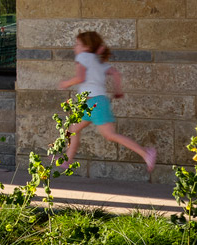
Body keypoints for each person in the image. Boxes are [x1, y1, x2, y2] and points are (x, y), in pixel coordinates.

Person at [59, 31, 157, 172]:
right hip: (92, 103)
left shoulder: (83, 57)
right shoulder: (97, 61)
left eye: (77, 44)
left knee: (110, 135)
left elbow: (80, 78)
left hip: (95, 103)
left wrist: (66, 83)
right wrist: (118, 90)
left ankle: (145, 152)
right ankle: (67, 160)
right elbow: (115, 73)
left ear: (86, 47)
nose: (75, 47)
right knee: (73, 129)